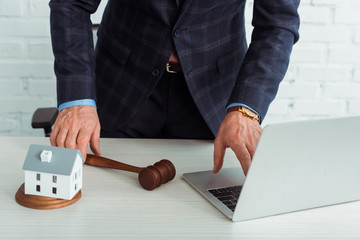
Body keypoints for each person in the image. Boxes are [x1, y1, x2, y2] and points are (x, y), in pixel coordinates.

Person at [49, 0, 300, 175]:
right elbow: (72, 3)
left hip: (214, 97)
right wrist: (77, 99)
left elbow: (277, 24)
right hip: (121, 86)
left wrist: (247, 107)